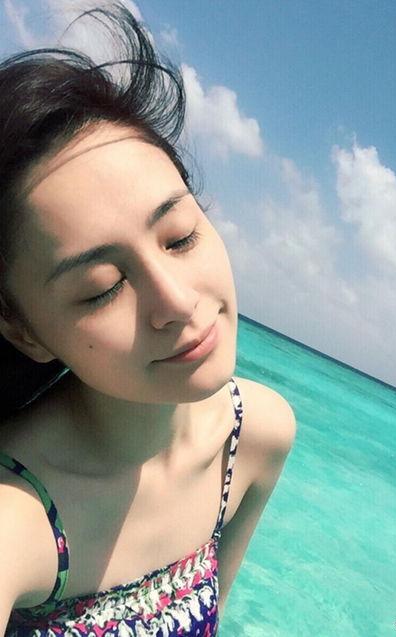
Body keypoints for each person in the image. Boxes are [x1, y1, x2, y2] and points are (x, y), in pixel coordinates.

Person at [0, 4, 296, 636]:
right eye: (103, 288)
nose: (179, 302)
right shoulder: (16, 519)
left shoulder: (256, 435)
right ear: (23, 329)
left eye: (180, 236)